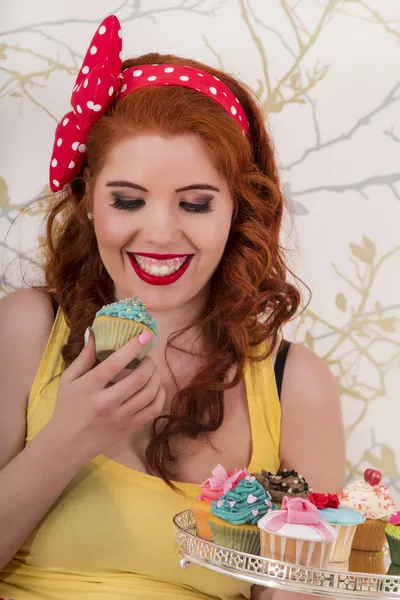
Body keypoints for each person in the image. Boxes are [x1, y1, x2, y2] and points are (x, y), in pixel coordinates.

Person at [0, 14, 345, 600]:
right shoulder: (25, 330)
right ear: (88, 200)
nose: (158, 233)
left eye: (195, 204)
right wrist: (69, 436)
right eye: (128, 200)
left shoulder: (296, 389)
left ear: (238, 210)